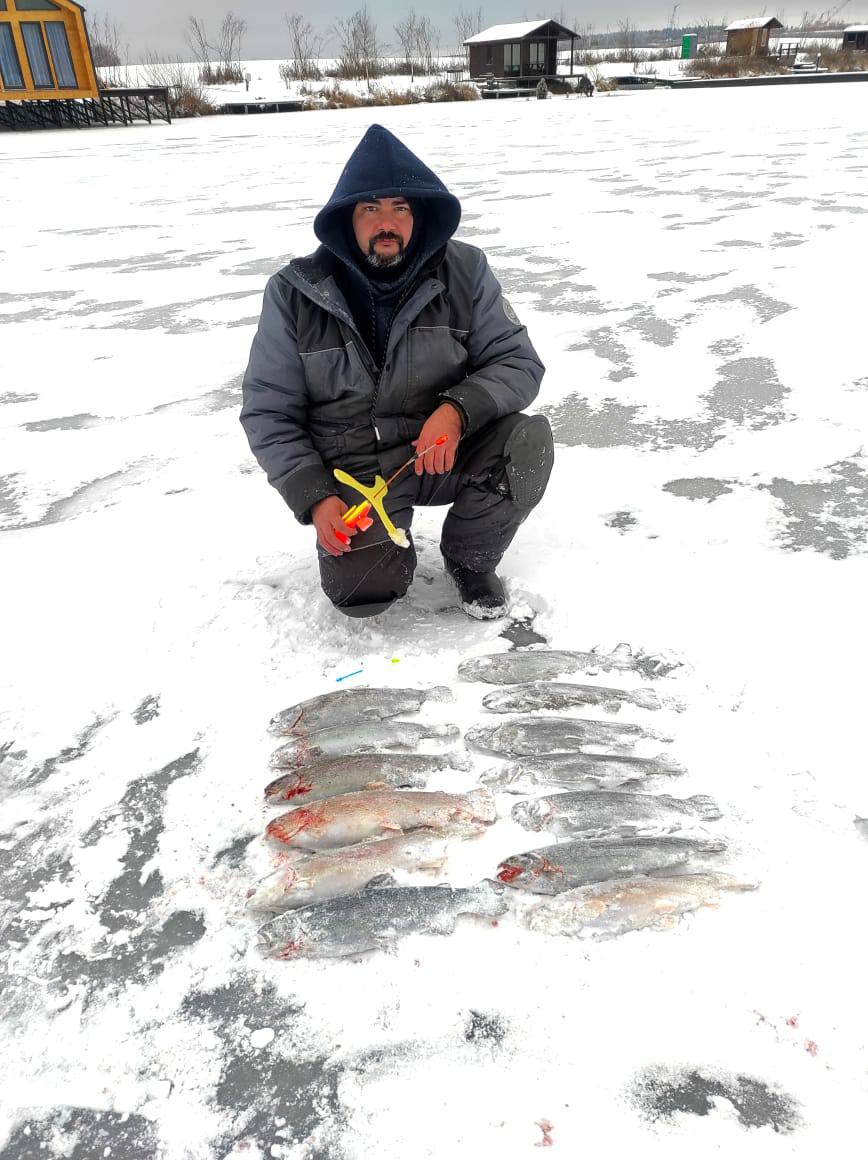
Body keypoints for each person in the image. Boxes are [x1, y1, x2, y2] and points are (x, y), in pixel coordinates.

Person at [240, 123, 554, 620]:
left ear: (419, 216)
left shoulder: (465, 272)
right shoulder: (294, 293)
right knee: (362, 593)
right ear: (348, 218)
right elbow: (267, 410)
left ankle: (470, 560)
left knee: (526, 443)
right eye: (371, 209)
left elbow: (518, 361)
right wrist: (316, 497)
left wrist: (456, 411)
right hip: (355, 472)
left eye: (400, 208)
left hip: (441, 453)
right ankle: (384, 553)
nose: (387, 223)